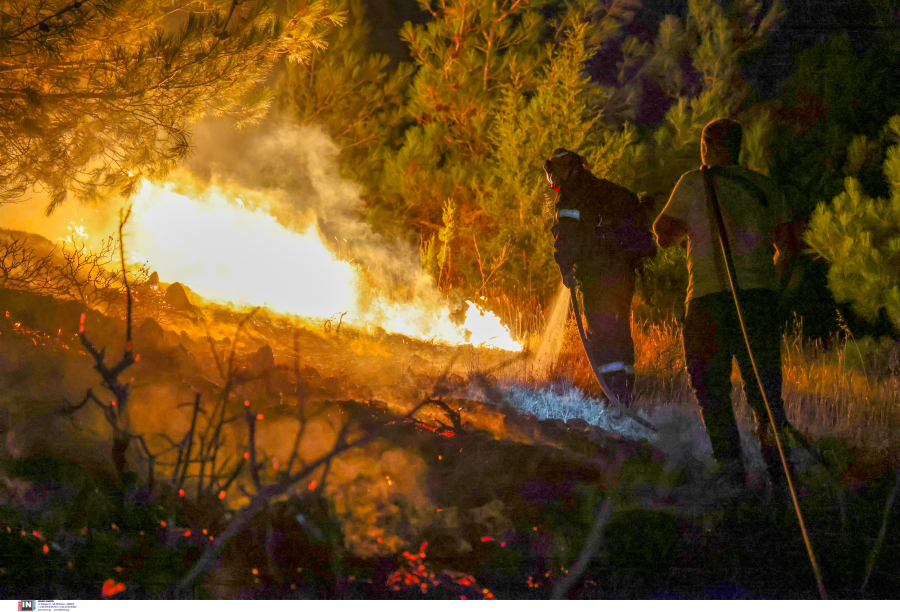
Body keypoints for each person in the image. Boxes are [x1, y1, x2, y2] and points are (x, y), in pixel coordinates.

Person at [653, 118, 799, 496]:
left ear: (705, 146)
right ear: (739, 147)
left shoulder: (693, 182)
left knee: (710, 387)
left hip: (708, 299)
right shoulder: (765, 187)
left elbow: (663, 233)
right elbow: (788, 248)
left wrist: (681, 226)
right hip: (759, 300)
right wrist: (772, 293)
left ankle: (733, 475)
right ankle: (782, 478)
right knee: (765, 394)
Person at [544, 148, 656, 405]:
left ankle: (612, 398)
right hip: (624, 273)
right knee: (619, 331)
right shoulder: (609, 190)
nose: (553, 178)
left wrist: (565, 267)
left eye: (556, 171)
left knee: (602, 334)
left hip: (598, 276)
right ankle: (625, 393)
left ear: (569, 169)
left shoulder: (573, 195)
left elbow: (566, 236)